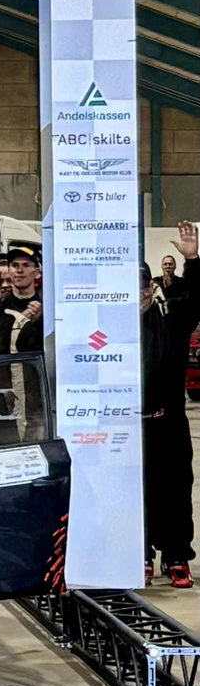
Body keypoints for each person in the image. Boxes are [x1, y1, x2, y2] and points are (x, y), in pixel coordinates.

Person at [142, 221, 199, 589]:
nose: (138, 294)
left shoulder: (172, 317)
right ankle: (141, 551)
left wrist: (192, 261)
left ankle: (176, 555)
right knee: (138, 489)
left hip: (170, 419)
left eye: (142, 286)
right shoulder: (109, 327)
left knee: (176, 489)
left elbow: (197, 299)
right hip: (129, 425)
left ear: (151, 287)